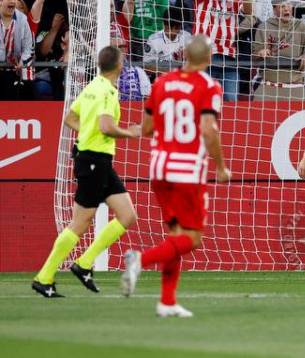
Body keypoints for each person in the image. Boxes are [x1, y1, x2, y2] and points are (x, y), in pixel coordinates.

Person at [121, 36, 231, 317]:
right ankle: (139, 260)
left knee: (175, 236)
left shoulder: (161, 82)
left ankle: (167, 302)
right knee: (192, 239)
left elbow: (147, 128)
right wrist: (220, 167)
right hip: (187, 171)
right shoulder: (209, 86)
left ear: (184, 56)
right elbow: (208, 129)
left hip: (159, 168)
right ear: (209, 59)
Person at [31, 46, 139, 298]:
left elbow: (70, 118)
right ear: (119, 66)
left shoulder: (92, 86)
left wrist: (87, 133)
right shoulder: (108, 91)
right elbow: (106, 126)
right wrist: (130, 132)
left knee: (127, 215)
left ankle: (84, 263)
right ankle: (44, 277)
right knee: (79, 223)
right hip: (93, 161)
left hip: (98, 161)